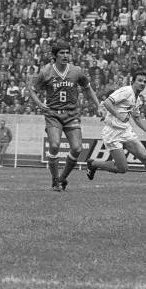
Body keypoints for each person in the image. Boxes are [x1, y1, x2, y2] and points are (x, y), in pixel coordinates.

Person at [29, 41, 100, 191]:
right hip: (53, 114)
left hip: (72, 114)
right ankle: (55, 180)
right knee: (54, 145)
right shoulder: (46, 72)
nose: (65, 55)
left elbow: (88, 88)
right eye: (61, 53)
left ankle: (62, 179)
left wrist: (98, 105)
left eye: (67, 52)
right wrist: (40, 105)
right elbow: (32, 89)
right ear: (54, 56)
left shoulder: (76, 71)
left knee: (77, 148)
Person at [86, 72, 146, 191]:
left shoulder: (137, 99)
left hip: (126, 131)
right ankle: (93, 163)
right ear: (133, 81)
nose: (142, 83)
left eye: (145, 82)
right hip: (112, 132)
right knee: (122, 168)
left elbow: (136, 118)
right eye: (140, 80)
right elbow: (107, 103)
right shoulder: (126, 91)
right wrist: (119, 116)